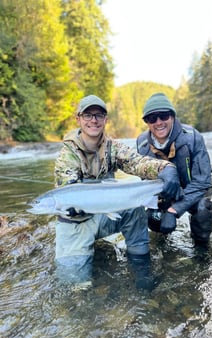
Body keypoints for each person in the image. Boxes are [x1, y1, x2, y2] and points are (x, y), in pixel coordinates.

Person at [54, 94, 180, 291]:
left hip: (104, 214)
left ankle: (142, 271)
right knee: (75, 286)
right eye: (88, 115)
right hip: (76, 223)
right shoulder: (67, 155)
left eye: (99, 115)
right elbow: (67, 190)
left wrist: (166, 169)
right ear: (78, 119)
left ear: (105, 120)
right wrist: (70, 209)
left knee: (135, 209)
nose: (93, 120)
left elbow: (137, 162)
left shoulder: (113, 147)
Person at [137, 92, 212, 246]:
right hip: (163, 194)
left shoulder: (193, 137)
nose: (159, 122)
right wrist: (156, 206)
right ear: (147, 122)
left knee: (203, 209)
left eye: (164, 116)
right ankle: (162, 243)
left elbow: (203, 181)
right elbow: (146, 183)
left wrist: (175, 210)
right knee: (152, 219)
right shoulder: (141, 144)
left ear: (172, 116)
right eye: (152, 118)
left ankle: (201, 249)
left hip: (195, 190)